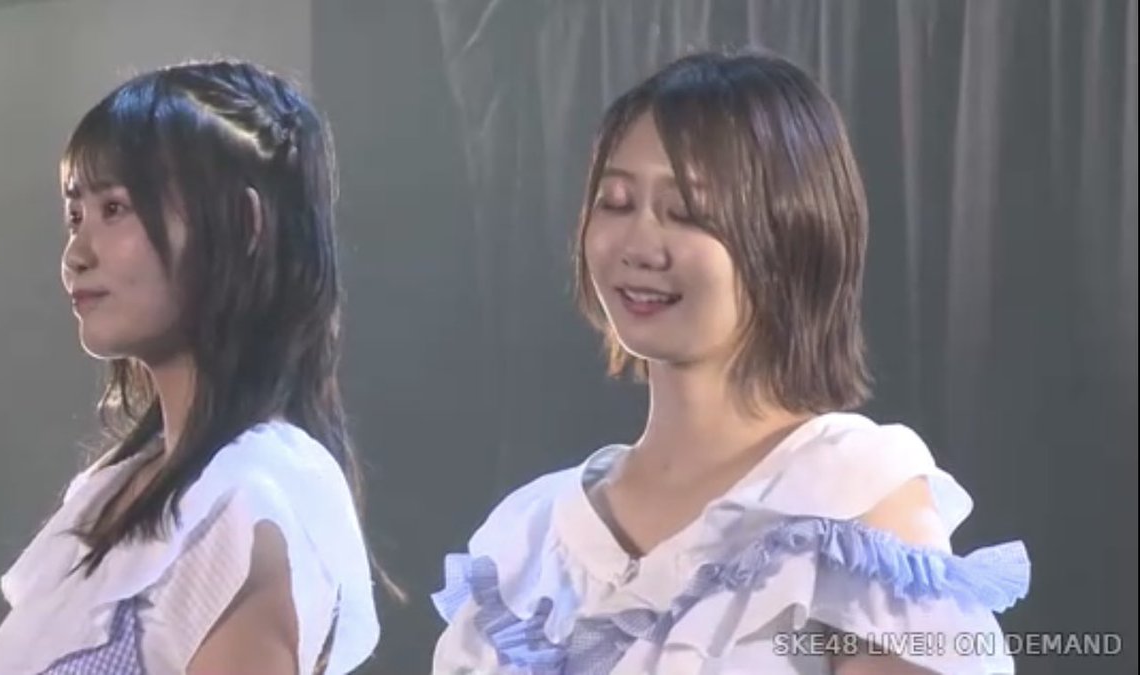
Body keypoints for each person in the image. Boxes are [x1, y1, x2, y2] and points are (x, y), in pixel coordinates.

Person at [431, 50, 1030, 674]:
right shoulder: (529, 538)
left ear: (791, 236)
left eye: (688, 213)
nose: (640, 245)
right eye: (615, 201)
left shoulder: (850, 499)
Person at [0, 60, 379, 675]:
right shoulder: (109, 492)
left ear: (243, 223)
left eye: (115, 208)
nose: (76, 253)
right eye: (76, 216)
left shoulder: (248, 500)